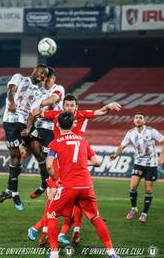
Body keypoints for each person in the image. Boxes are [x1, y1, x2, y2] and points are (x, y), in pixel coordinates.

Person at [27, 94, 121, 245]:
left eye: (72, 105)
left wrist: (108, 107)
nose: (69, 108)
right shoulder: (57, 115)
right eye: (67, 105)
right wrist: (38, 105)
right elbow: (36, 111)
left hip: (77, 163)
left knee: (77, 201)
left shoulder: (82, 115)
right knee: (52, 196)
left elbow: (100, 112)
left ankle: (64, 232)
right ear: (63, 106)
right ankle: (40, 230)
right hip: (61, 162)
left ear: (76, 107)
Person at [45, 112, 119, 258]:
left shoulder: (55, 143)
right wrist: (81, 163)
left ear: (58, 124)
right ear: (73, 124)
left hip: (68, 186)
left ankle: (54, 253)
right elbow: (97, 161)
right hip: (86, 186)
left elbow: (48, 166)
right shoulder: (83, 140)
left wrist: (56, 179)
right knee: (95, 217)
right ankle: (111, 252)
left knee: (51, 214)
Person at [0, 64, 54, 211]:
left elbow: (32, 113)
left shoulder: (40, 94)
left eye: (44, 75)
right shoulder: (19, 77)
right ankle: (13, 192)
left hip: (23, 123)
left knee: (38, 150)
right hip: (10, 121)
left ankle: (45, 183)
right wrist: (13, 103)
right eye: (41, 72)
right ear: (35, 69)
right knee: (15, 155)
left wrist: (28, 129)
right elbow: (10, 91)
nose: (41, 76)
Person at [110, 112, 164, 223]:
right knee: (132, 187)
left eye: (140, 118)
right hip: (138, 163)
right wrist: (115, 155)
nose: (138, 119)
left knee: (148, 189)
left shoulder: (151, 131)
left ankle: (144, 213)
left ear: (144, 121)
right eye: (136, 118)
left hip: (151, 164)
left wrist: (161, 155)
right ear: (134, 120)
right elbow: (122, 146)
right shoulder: (130, 133)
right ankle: (134, 208)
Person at [22, 67, 65, 199]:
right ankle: (12, 186)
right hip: (37, 128)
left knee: (49, 163)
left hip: (51, 129)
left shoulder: (58, 88)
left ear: (54, 79)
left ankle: (49, 186)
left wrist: (39, 105)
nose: (46, 83)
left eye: (49, 80)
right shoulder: (38, 91)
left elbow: (52, 100)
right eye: (45, 80)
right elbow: (31, 112)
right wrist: (28, 128)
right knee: (22, 152)